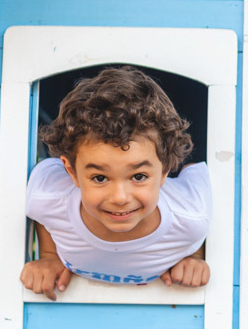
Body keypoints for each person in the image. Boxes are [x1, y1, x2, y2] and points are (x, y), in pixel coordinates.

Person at [18, 66, 211, 300]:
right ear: (72, 172)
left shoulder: (190, 216)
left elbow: (198, 176)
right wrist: (49, 256)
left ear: (165, 170)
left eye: (138, 176)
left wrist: (194, 258)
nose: (120, 197)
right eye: (100, 178)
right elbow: (44, 210)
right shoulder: (47, 196)